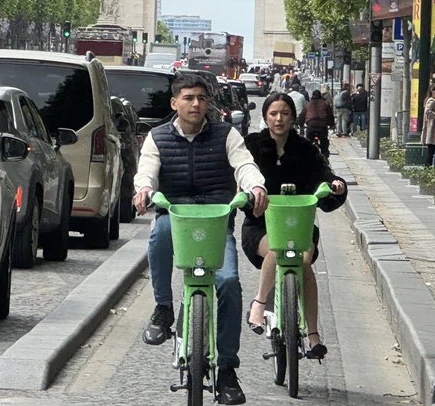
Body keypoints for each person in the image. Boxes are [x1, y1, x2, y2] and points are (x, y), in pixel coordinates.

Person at [133, 72, 268, 406]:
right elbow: (147, 169)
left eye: (201, 98)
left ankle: (227, 369)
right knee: (159, 231)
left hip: (216, 223)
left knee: (229, 283)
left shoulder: (227, 135)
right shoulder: (157, 136)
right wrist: (144, 189)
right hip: (176, 218)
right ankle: (163, 308)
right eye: (188, 98)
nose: (195, 104)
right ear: (174, 103)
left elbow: (245, 165)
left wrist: (255, 185)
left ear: (208, 103)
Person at [242, 93, 347, 359]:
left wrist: (334, 184)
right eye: (273, 113)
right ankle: (259, 304)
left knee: (303, 261)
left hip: (299, 224)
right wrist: (246, 196)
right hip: (260, 225)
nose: (279, 119)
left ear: (293, 117)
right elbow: (240, 175)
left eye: (285, 113)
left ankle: (313, 334)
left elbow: (324, 174)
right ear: (265, 117)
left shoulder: (306, 148)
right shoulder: (252, 146)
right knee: (278, 249)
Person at [299, 90, 334, 158]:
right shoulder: (325, 104)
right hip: (322, 126)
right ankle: (325, 156)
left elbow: (302, 115)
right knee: (324, 142)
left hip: (311, 125)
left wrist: (301, 125)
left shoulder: (308, 104)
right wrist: (331, 124)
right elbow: (330, 115)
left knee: (308, 143)